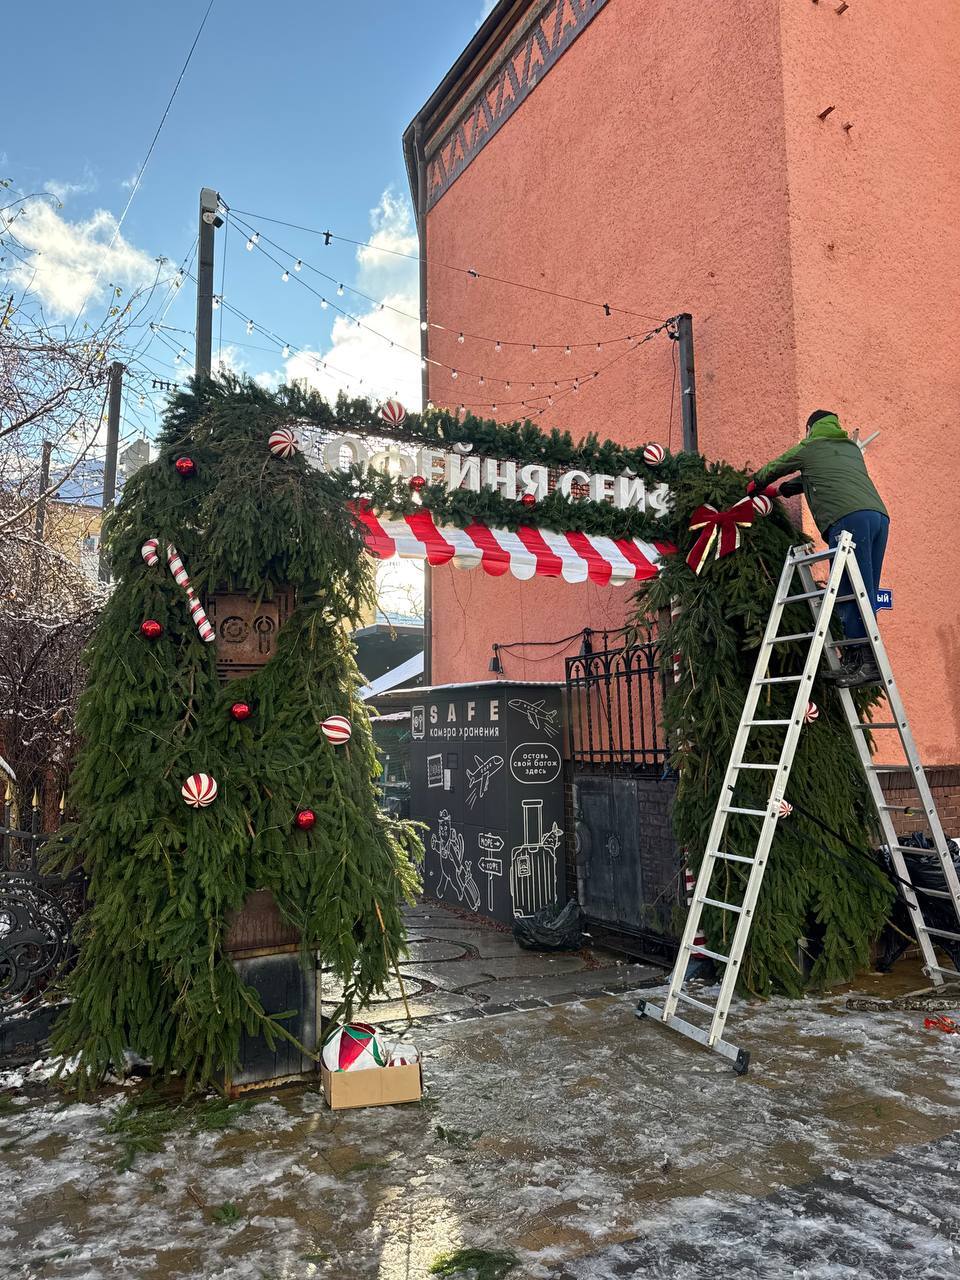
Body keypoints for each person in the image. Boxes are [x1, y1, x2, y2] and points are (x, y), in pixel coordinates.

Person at [749, 410, 889, 688]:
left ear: (810, 428)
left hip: (847, 518)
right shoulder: (848, 449)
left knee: (850, 589)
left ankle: (868, 664)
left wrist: (755, 484)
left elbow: (779, 465)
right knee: (866, 589)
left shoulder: (811, 446)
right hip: (878, 518)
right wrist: (780, 492)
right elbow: (815, 477)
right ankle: (854, 661)